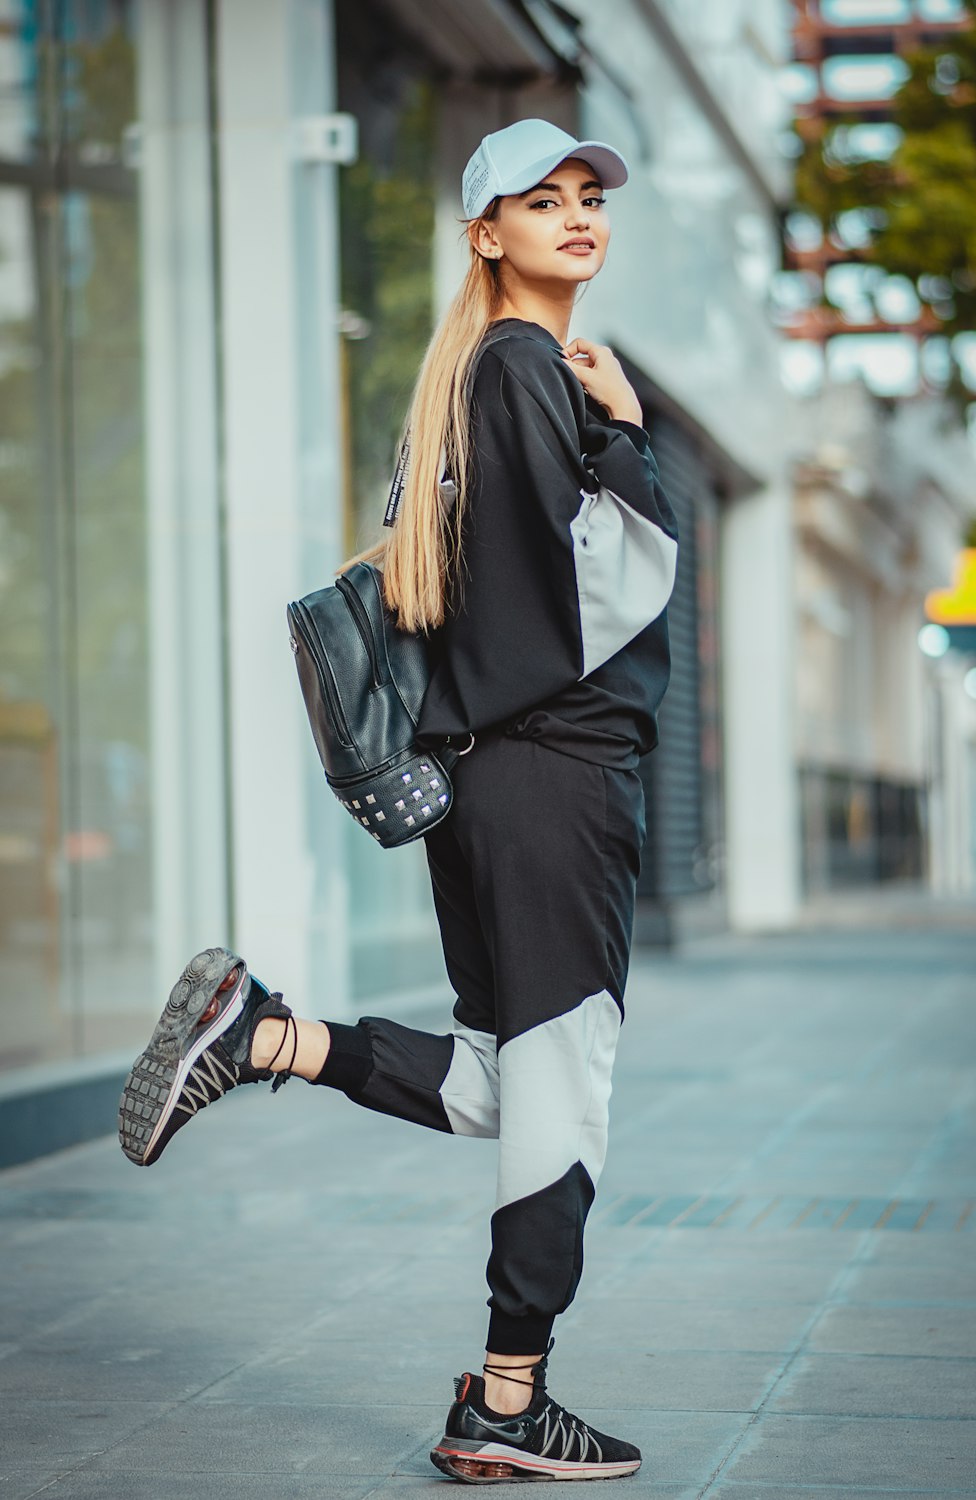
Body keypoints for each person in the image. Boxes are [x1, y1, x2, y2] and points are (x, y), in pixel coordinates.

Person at [119, 118, 679, 1484]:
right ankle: (505, 1398)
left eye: (588, 196)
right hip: (557, 787)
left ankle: (263, 1038)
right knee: (562, 1108)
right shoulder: (533, 373)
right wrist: (628, 438)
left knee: (500, 1085)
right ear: (488, 234)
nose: (577, 216)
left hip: (491, 792)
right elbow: (611, 586)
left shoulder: (461, 388)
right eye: (540, 201)